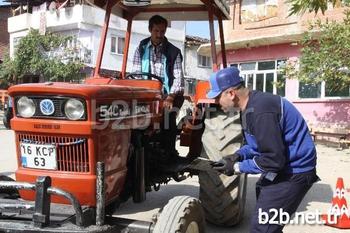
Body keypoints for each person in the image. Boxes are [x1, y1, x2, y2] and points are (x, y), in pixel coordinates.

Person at [207, 66, 319, 233]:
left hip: (295, 171)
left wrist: (237, 168)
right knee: (262, 190)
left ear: (231, 93)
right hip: (283, 166)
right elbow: (256, 145)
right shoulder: (248, 109)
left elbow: (273, 160)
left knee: (262, 228)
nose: (215, 102)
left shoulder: (261, 111)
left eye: (217, 97)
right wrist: (236, 156)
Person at [132, 15, 184, 155]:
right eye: (156, 31)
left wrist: (170, 97)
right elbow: (136, 74)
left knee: (168, 118)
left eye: (162, 31)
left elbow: (178, 79)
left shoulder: (174, 52)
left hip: (168, 95)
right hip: (146, 95)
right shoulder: (141, 48)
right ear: (150, 30)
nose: (159, 34)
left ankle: (169, 153)